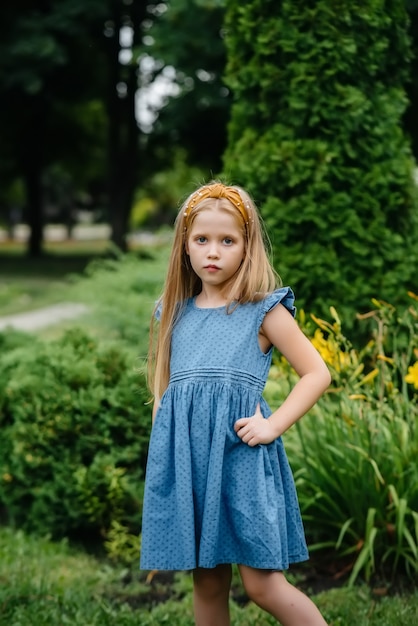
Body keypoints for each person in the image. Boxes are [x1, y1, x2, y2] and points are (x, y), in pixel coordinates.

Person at [140, 181, 331, 626]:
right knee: (207, 583)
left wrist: (273, 426)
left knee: (262, 585)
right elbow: (167, 394)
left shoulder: (263, 311)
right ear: (184, 247)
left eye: (228, 241)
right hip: (192, 466)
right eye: (201, 240)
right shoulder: (172, 312)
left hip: (241, 461)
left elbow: (317, 373)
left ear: (247, 248)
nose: (213, 251)